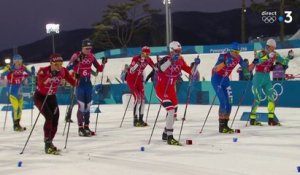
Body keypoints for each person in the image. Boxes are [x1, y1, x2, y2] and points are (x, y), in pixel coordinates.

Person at [157, 41, 200, 145]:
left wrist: (196, 65)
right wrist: (171, 61)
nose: (179, 53)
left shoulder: (180, 60)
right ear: (171, 51)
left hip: (171, 90)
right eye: (176, 51)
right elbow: (161, 68)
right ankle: (170, 137)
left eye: (180, 51)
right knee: (170, 110)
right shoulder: (165, 59)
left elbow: (192, 72)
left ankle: (165, 132)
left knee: (173, 114)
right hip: (162, 90)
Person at [34, 53, 76, 155]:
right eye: (56, 64)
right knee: (49, 117)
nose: (59, 66)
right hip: (40, 97)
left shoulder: (63, 71)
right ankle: (47, 143)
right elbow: (40, 82)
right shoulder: (43, 70)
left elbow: (73, 82)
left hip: (52, 97)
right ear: (51, 63)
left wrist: (76, 78)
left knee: (56, 119)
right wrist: (49, 76)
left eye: (60, 63)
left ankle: (50, 141)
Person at [67, 38, 107, 136]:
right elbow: (68, 68)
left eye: (90, 48)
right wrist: (76, 62)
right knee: (81, 106)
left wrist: (103, 63)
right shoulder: (76, 55)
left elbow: (99, 69)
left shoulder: (92, 56)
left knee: (88, 106)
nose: (88, 50)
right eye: (86, 48)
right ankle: (80, 128)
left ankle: (87, 127)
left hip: (88, 84)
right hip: (79, 84)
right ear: (82, 48)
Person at [211, 42, 250, 133]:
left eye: (238, 52)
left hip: (225, 79)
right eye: (236, 52)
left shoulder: (238, 57)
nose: (237, 54)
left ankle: (226, 125)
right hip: (217, 78)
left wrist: (247, 71)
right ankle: (221, 126)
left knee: (230, 101)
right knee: (223, 100)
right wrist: (224, 63)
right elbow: (215, 69)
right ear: (231, 51)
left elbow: (245, 67)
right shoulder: (224, 55)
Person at [250, 39, 290, 126]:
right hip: (258, 78)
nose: (273, 49)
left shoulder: (275, 54)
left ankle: (271, 119)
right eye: (272, 48)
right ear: (268, 46)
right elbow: (256, 62)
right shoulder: (261, 53)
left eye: (274, 48)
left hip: (267, 78)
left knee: (271, 97)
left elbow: (283, 61)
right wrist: (267, 57)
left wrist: (288, 58)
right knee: (258, 98)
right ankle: (252, 119)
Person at [0, 54, 33, 131]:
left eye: (20, 61)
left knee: (20, 108)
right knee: (15, 107)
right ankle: (15, 125)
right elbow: (2, 74)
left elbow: (30, 74)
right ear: (13, 61)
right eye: (16, 61)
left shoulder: (23, 67)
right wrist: (9, 70)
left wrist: (32, 72)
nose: (18, 63)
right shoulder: (9, 67)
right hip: (11, 90)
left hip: (19, 90)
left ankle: (18, 124)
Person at [126, 46, 156, 127]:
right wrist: (137, 64)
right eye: (145, 53)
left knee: (143, 99)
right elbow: (131, 71)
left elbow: (155, 68)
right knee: (137, 98)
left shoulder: (148, 59)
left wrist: (159, 64)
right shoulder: (135, 58)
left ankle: (141, 119)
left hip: (139, 79)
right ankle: (135, 120)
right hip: (131, 80)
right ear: (142, 52)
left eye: (148, 53)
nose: (146, 55)